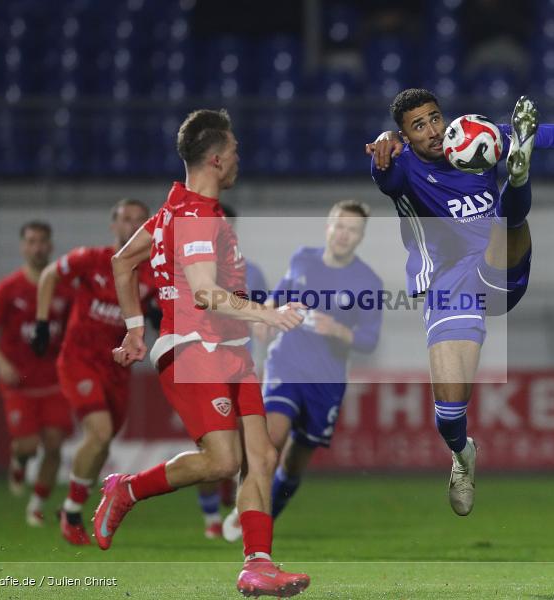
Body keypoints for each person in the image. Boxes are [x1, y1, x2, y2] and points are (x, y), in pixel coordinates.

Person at [365, 89, 554, 516]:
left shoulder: (478, 137)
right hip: (451, 287)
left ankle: (518, 177)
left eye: (435, 118)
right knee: (449, 414)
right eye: (419, 126)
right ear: (405, 134)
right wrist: (382, 149)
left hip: (500, 265)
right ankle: (462, 454)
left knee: (507, 220)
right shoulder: (399, 166)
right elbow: (385, 178)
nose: (434, 131)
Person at [100, 108, 310, 597]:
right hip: (196, 351)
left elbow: (122, 261)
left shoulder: (174, 209)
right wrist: (268, 314)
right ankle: (126, 490)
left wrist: (134, 329)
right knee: (221, 461)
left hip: (230, 350)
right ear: (216, 159)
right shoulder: (197, 216)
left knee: (262, 456)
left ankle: (258, 564)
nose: (240, 158)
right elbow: (204, 293)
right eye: (235, 150)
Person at [221, 199, 382, 541]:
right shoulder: (302, 258)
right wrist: (265, 316)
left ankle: (267, 516)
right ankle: (250, 514)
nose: (343, 235)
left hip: (325, 382)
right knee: (270, 442)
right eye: (339, 226)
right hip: (286, 363)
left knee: (293, 464)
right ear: (328, 227)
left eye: (352, 230)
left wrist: (338, 330)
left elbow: (369, 340)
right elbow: (276, 298)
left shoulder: (368, 281)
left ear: (361, 237)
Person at [33, 199, 156, 545]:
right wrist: (42, 324)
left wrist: (158, 316)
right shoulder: (91, 259)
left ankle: (72, 506)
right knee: (99, 431)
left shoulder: (149, 272)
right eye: (125, 219)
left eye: (139, 220)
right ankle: (72, 513)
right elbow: (49, 275)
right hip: (79, 360)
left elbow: (154, 308)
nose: (131, 225)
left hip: (118, 367)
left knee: (103, 442)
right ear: (113, 225)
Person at [0, 221, 73, 526]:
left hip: (54, 381)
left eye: (42, 241)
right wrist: (0, 362)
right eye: (31, 241)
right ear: (23, 247)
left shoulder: (64, 287)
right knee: (28, 446)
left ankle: (37, 504)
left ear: (51, 245)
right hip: (19, 382)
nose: (37, 247)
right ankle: (19, 463)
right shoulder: (9, 288)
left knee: (55, 444)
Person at [193, 203, 268, 540]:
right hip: (208, 367)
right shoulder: (196, 270)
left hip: (243, 367)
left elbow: (264, 316)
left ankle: (242, 518)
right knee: (216, 450)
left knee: (253, 451)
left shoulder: (252, 271)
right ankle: (211, 515)